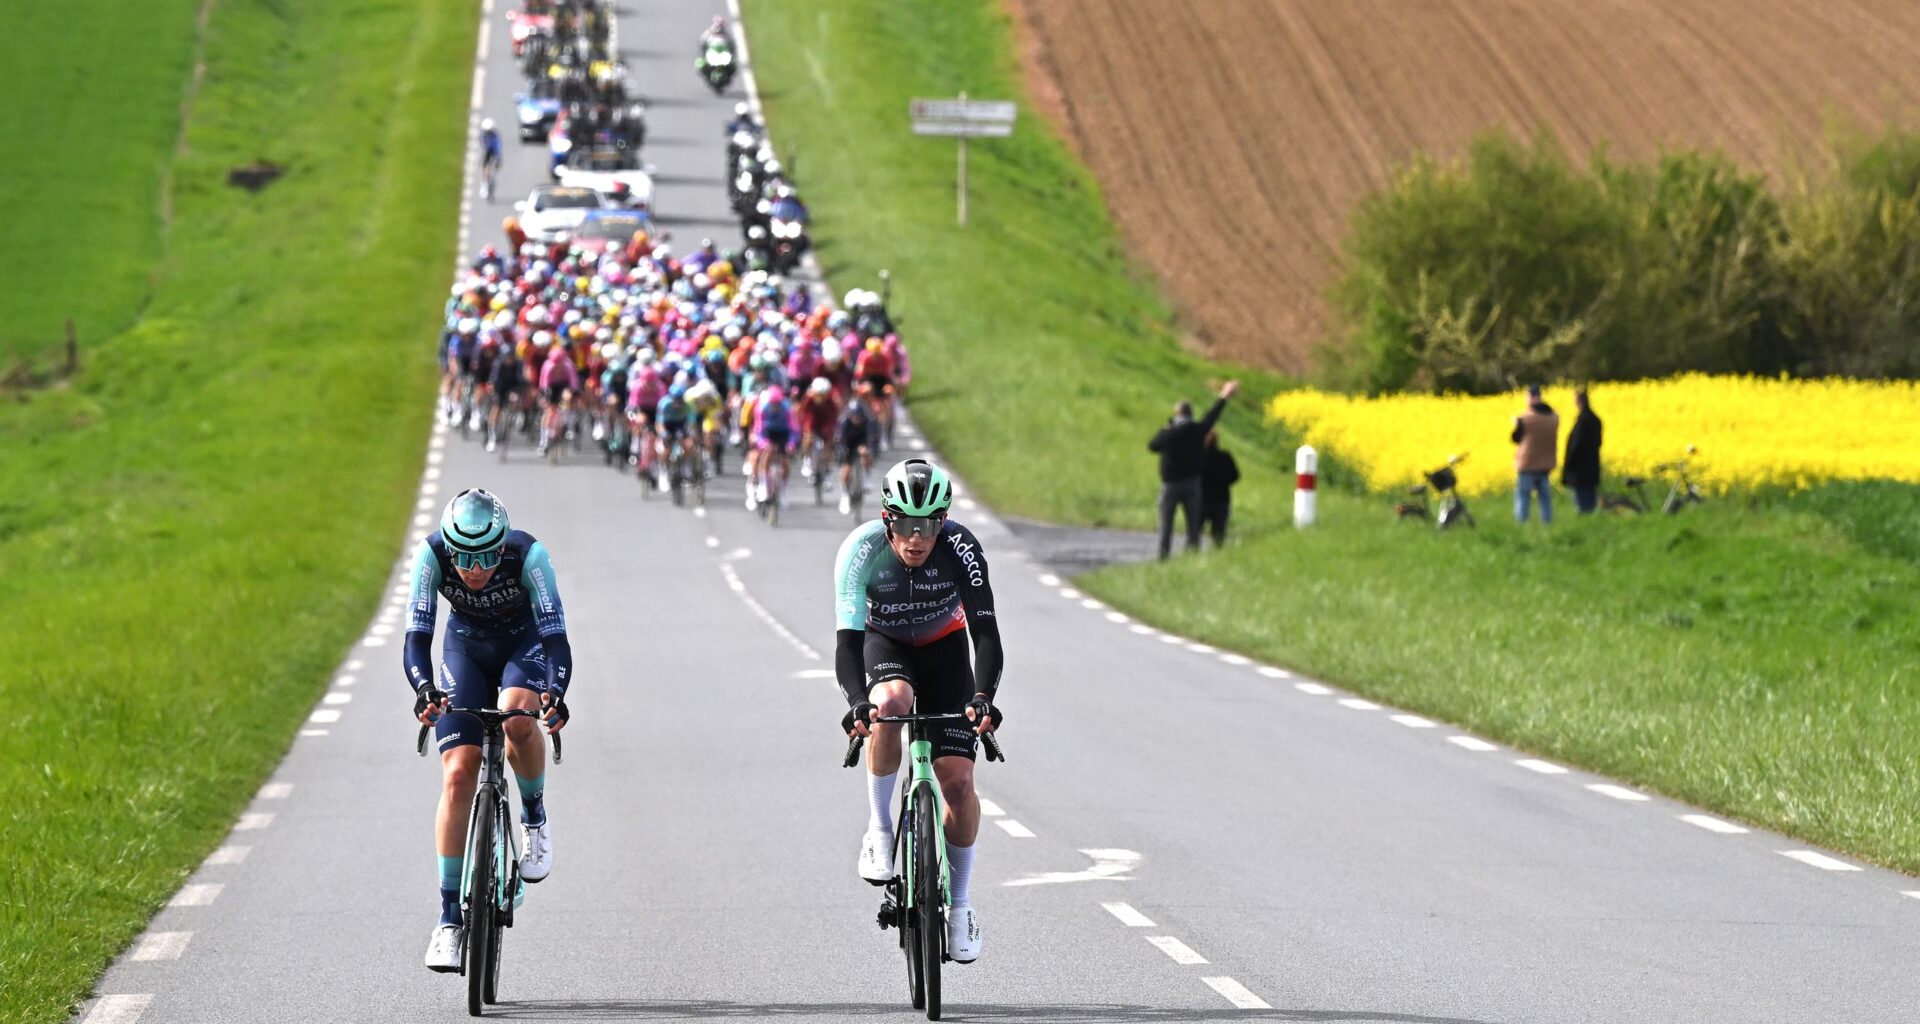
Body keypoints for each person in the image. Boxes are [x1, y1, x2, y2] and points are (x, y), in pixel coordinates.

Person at [833, 459, 1003, 965]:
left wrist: (983, 698)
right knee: (889, 704)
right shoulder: (860, 553)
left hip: (946, 650)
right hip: (886, 647)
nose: (916, 538)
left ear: (942, 521)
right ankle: (880, 828)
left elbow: (987, 635)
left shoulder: (962, 548)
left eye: (928, 525)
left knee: (959, 786)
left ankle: (962, 905)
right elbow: (847, 643)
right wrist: (856, 702)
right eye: (905, 525)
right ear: (887, 521)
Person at [405, 489, 572, 972]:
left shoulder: (529, 556)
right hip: (466, 650)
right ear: (448, 547)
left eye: (485, 557)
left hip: (524, 645)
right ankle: (448, 920)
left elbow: (557, 639)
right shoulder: (431, 555)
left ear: (502, 547)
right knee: (458, 773)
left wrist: (556, 694)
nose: (473, 569)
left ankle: (534, 817)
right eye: (463, 556)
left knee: (518, 714)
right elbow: (416, 640)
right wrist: (424, 690)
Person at [1148, 380, 1239, 558]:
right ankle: (1192, 554)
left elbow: (1152, 446)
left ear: (1176, 413)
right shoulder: (1197, 431)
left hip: (1170, 484)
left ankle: (1163, 555)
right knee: (1193, 525)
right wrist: (1224, 396)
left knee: (1166, 524)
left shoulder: (1170, 433)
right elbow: (1212, 416)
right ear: (1191, 414)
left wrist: (1166, 427)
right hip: (1192, 483)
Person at [1511, 383, 1560, 523]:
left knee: (1523, 497)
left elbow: (1515, 438)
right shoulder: (1554, 417)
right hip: (1546, 465)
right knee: (1545, 499)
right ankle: (1547, 524)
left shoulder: (1525, 418)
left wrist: (1516, 423)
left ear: (1531, 397)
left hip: (1527, 464)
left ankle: (1521, 525)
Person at [1561, 388, 1603, 514]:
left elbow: (1576, 446)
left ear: (1579, 402)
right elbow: (1599, 442)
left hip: (1580, 470)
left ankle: (1586, 522)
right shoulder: (1596, 419)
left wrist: (1568, 465)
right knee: (1591, 500)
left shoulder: (1582, 421)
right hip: (1593, 466)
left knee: (1583, 506)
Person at [1198, 429, 1240, 548]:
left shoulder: (1199, 457)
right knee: (1219, 536)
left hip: (1201, 500)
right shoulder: (1225, 457)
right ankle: (1218, 557)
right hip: (1221, 500)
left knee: (1194, 534)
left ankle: (1192, 557)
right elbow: (1235, 476)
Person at [479, 118, 503, 198]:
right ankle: (484, 185)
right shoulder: (484, 135)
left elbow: (498, 147)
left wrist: (496, 159)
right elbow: (484, 145)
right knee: (485, 168)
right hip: (488, 153)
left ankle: (492, 180)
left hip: (495, 153)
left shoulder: (495, 135)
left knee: (492, 168)